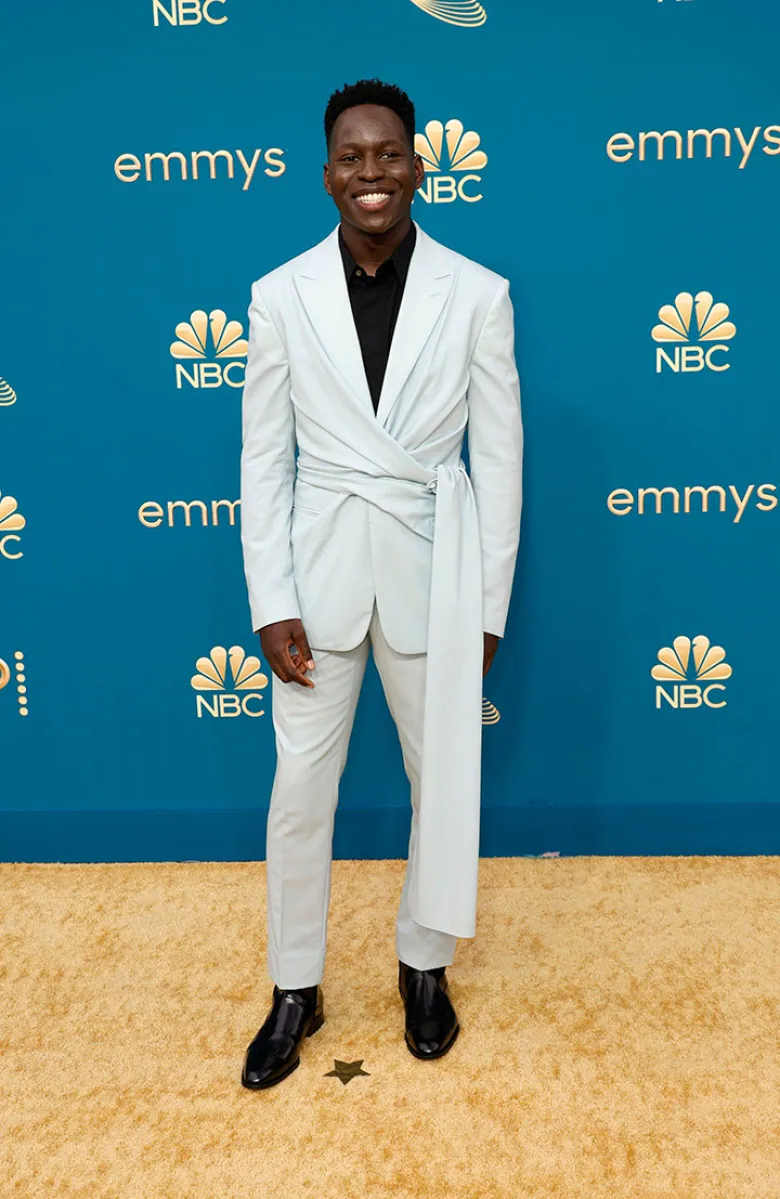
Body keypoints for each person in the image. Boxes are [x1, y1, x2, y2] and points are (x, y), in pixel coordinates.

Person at [239, 78, 523, 1089]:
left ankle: (424, 965)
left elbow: (502, 458)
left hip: (432, 573)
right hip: (317, 579)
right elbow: (263, 460)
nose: (372, 171)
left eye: (389, 153)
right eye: (353, 156)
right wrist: (272, 599)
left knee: (439, 781)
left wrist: (485, 607)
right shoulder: (278, 296)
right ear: (327, 174)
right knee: (298, 792)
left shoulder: (478, 293)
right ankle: (294, 984)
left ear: (417, 164)